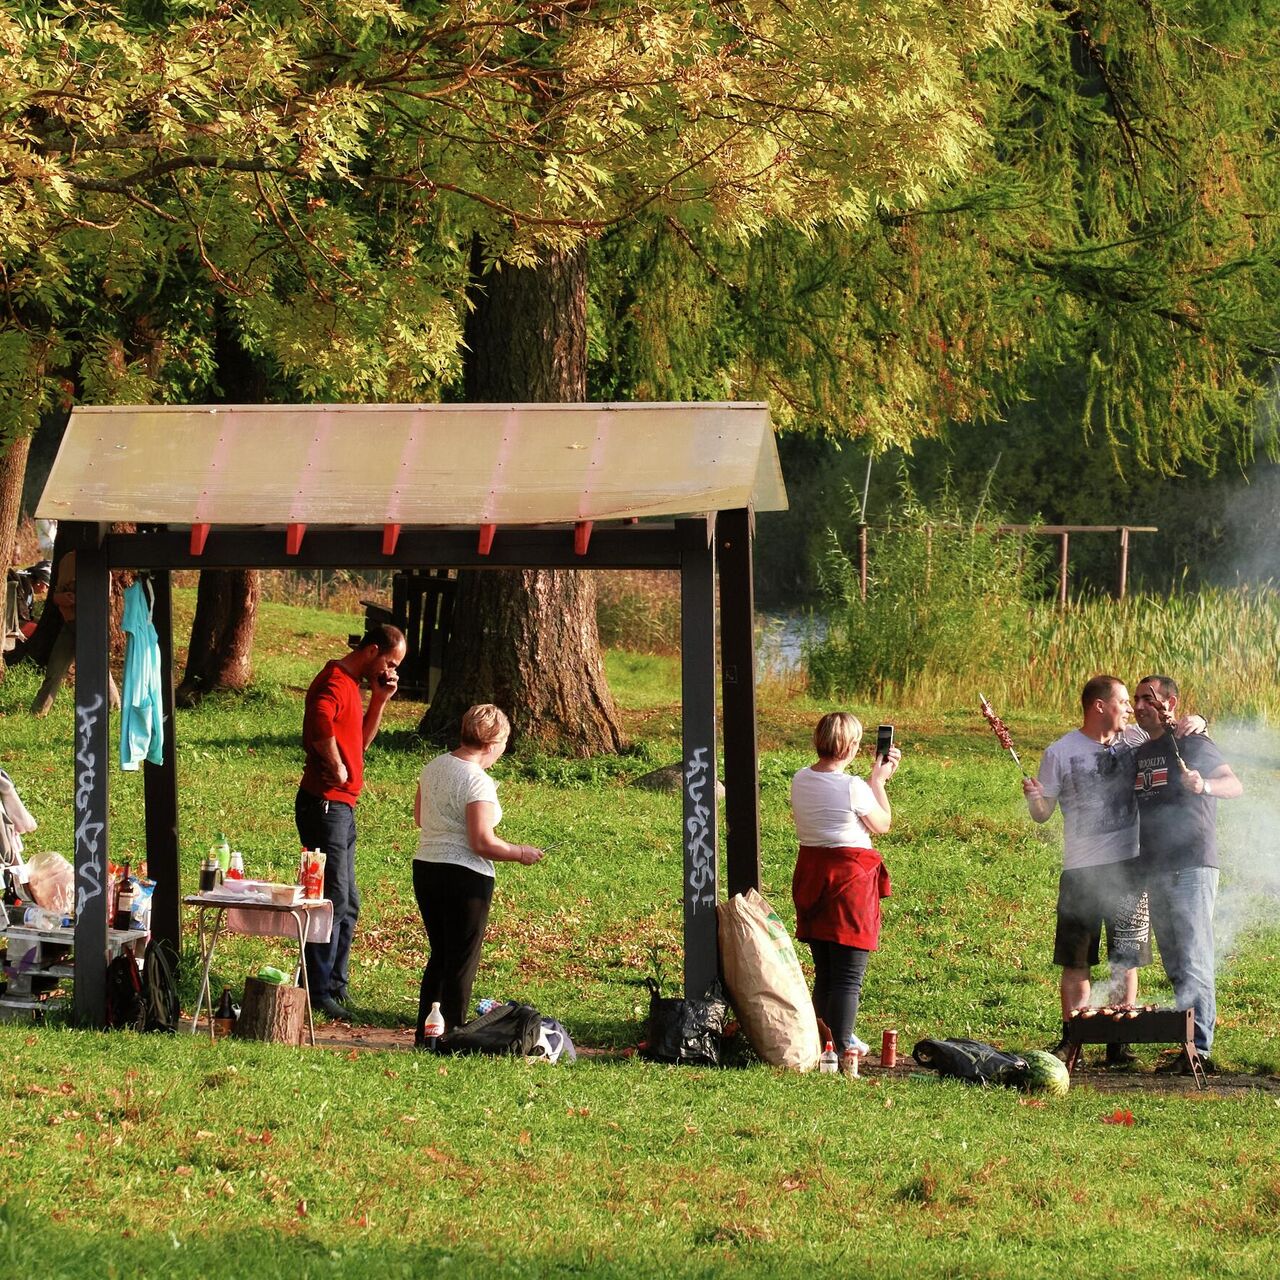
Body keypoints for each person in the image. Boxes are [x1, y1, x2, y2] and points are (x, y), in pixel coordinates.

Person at [412, 704, 545, 1041]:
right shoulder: (477, 781)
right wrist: (520, 853)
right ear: (492, 744)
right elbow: (482, 842)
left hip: (426, 866)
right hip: (465, 877)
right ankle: (452, 1033)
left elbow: (419, 817)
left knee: (440, 954)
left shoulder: (433, 768)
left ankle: (427, 1031)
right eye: (503, 743)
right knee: (461, 959)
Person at [296, 623, 406, 1020]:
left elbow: (359, 741)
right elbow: (320, 723)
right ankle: (315, 989)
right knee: (331, 898)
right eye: (390, 662)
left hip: (343, 807)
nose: (392, 669)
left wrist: (379, 699)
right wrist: (335, 764)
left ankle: (336, 986)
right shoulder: (334, 680)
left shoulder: (355, 686)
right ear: (372, 649)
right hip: (324, 804)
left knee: (349, 901)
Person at [1132, 674, 1241, 1074]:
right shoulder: (1142, 750)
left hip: (1191, 863)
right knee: (1175, 960)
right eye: (1136, 699)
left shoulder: (1193, 742)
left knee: (1195, 956)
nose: (1140, 705)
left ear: (1170, 702)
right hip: (1155, 866)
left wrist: (1203, 784)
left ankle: (1202, 1051)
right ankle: (1186, 1047)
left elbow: (1234, 784)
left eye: (1149, 698)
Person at [790, 711, 901, 1072]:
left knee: (824, 971)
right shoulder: (853, 787)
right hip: (849, 882)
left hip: (812, 877)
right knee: (849, 977)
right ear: (852, 746)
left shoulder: (800, 779)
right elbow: (882, 824)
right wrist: (879, 782)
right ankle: (839, 1048)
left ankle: (821, 1042)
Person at [30, 550, 120, 717]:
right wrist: (64, 597)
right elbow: (56, 596)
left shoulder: (100, 562)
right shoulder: (68, 560)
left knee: (98, 667)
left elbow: (102, 598)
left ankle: (114, 707)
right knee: (55, 670)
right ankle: (38, 711)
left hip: (91, 625)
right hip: (70, 624)